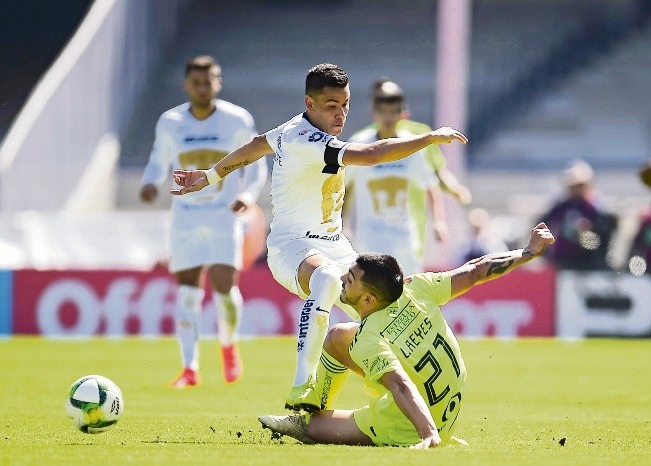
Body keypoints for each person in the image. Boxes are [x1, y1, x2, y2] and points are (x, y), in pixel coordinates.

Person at [171, 63, 467, 411]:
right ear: (309, 103)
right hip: (292, 247)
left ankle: (398, 388)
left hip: (336, 246)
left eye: (345, 105)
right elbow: (372, 154)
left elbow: (256, 145)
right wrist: (429, 139)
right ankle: (302, 386)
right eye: (331, 106)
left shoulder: (290, 130)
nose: (340, 113)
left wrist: (210, 175)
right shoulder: (303, 139)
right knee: (327, 279)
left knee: (390, 305)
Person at [258, 222, 556, 448]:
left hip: (409, 425)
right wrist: (527, 253)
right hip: (447, 404)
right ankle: (315, 402)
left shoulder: (369, 338)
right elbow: (477, 270)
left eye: (350, 279)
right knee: (337, 337)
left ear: (369, 299)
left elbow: (400, 385)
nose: (342, 280)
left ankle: (311, 419)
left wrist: (429, 434)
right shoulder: (417, 287)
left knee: (314, 429)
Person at [140, 55, 268, 387]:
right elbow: (158, 160)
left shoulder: (236, 119)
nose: (201, 88)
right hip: (185, 217)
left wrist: (248, 195)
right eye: (196, 82)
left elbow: (257, 163)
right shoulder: (170, 121)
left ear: (217, 83)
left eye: (207, 82)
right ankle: (189, 367)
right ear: (186, 85)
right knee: (187, 294)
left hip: (223, 216)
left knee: (225, 290)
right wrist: (150, 182)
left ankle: (228, 346)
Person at [345, 80, 448, 272]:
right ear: (374, 113)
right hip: (370, 235)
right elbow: (346, 186)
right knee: (372, 285)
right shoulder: (361, 145)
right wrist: (343, 224)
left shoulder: (410, 146)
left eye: (393, 112)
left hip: (403, 235)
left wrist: (439, 221)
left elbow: (430, 186)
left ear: (402, 115)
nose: (388, 118)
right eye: (383, 112)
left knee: (408, 284)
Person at [539, 159, 617, 270]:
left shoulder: (596, 208)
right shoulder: (561, 207)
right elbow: (542, 227)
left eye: (580, 185)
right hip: (561, 262)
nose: (576, 189)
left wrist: (587, 231)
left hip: (587, 264)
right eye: (573, 186)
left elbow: (603, 238)